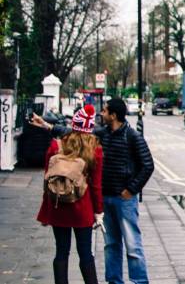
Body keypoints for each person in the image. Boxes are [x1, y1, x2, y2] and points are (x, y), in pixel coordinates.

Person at [33, 97, 154, 284]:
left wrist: (131, 190)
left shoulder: (132, 136)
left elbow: (147, 165)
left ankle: (139, 281)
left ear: (113, 115)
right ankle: (114, 281)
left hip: (123, 199)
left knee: (132, 246)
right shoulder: (99, 138)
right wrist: (48, 126)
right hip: (98, 201)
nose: (101, 114)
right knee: (108, 245)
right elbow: (76, 133)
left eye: (105, 111)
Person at [37, 104, 103, 284]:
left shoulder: (55, 145)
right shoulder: (94, 150)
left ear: (73, 125)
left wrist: (45, 211)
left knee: (61, 251)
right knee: (85, 253)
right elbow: (96, 186)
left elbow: (47, 179)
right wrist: (99, 212)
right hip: (82, 209)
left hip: (58, 205)